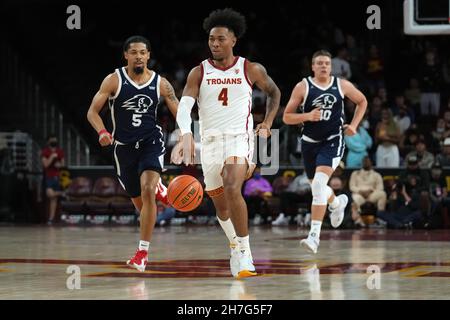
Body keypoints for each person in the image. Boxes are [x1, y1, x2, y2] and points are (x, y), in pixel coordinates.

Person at [171, 8, 280, 278]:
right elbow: (184, 106)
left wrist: (267, 122)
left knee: (233, 188)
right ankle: (234, 243)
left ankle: (245, 252)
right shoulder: (199, 72)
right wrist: (186, 133)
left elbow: (274, 92)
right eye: (211, 39)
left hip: (239, 140)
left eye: (220, 39)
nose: (215, 44)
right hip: (209, 143)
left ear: (233, 41)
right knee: (221, 207)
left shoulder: (250, 68)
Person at [86, 35, 179, 272]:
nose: (139, 56)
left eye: (143, 52)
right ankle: (159, 189)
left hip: (151, 141)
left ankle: (142, 253)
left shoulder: (161, 83)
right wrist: (102, 132)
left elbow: (181, 112)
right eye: (134, 52)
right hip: (123, 148)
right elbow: (92, 112)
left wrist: (186, 136)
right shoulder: (113, 80)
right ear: (125, 55)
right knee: (141, 204)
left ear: (148, 55)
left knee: (147, 193)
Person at [283, 49, 367, 254]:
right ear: (312, 66)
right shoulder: (302, 86)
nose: (323, 66)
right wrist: (308, 116)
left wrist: (354, 125)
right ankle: (337, 203)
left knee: (319, 184)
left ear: (331, 66)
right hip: (309, 142)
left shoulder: (341, 85)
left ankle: (314, 236)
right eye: (319, 63)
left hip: (333, 140)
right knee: (316, 188)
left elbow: (362, 101)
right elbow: (286, 117)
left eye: (327, 63)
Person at [41, 134, 65, 224]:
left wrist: (59, 165)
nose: (54, 142)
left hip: (57, 177)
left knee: (53, 199)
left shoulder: (60, 151)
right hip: (48, 177)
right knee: (50, 194)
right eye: (52, 140)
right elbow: (45, 164)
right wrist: (52, 157)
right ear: (48, 142)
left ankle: (51, 218)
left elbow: (63, 164)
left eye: (55, 140)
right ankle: (63, 193)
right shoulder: (45, 152)